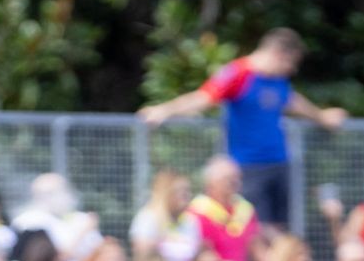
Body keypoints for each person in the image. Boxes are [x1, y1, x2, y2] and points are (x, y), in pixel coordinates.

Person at [138, 27, 347, 229]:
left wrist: (321, 116)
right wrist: (164, 109)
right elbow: (204, 97)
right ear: (278, 54)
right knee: (256, 229)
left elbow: (292, 101)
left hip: (280, 163)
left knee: (282, 226)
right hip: (248, 167)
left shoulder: (278, 81)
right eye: (290, 62)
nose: (292, 70)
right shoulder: (238, 73)